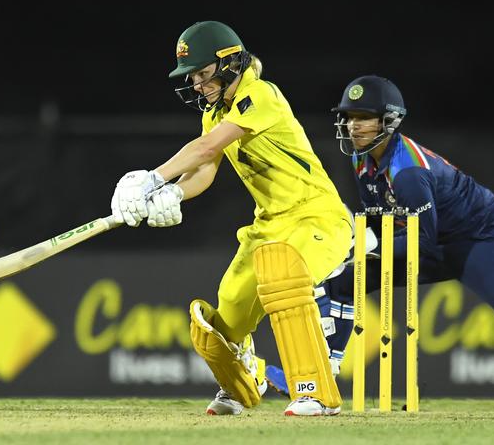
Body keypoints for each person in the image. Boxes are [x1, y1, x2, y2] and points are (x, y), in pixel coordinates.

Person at [265, 74, 494, 396]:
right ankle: (317, 377)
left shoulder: (407, 173)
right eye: (349, 117)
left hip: (479, 237)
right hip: (433, 240)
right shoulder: (360, 159)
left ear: (388, 121)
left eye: (364, 118)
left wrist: (369, 245)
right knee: (340, 281)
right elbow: (382, 221)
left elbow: (422, 240)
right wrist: (358, 244)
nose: (353, 126)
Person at [109, 21, 352, 416]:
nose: (198, 85)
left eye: (204, 74)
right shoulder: (216, 112)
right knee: (227, 314)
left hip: (318, 217)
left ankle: (315, 393)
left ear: (230, 63)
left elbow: (206, 148)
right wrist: (173, 193)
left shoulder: (263, 95)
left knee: (284, 276)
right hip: (269, 223)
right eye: (193, 77)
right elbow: (205, 169)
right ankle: (242, 384)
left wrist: (154, 177)